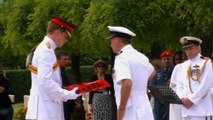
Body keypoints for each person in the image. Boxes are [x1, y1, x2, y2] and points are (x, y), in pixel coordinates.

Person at [25, 16, 81, 120]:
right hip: (45, 111)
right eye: (65, 36)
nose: (66, 40)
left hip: (45, 109)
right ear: (58, 33)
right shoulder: (46, 51)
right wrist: (68, 94)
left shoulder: (45, 48)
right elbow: (45, 82)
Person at [108, 26, 156, 120]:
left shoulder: (121, 58)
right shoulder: (141, 56)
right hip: (144, 106)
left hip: (130, 108)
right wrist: (140, 85)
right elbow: (152, 71)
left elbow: (127, 83)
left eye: (111, 41)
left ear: (117, 40)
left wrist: (121, 109)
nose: (111, 44)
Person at [176, 36, 213, 120]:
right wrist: (182, 98)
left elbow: (206, 84)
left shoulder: (206, 62)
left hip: (201, 109)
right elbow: (180, 84)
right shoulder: (184, 65)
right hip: (186, 109)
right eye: (186, 49)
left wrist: (191, 100)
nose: (188, 51)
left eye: (190, 48)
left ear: (197, 48)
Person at [57, 52, 82, 120]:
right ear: (57, 60)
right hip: (61, 103)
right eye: (65, 59)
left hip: (67, 103)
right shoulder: (57, 73)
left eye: (68, 59)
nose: (67, 61)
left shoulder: (64, 72)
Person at [149, 50, 174, 120]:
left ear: (172, 59)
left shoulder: (176, 71)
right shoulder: (157, 73)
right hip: (159, 106)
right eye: (164, 59)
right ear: (161, 60)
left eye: (168, 59)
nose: (166, 61)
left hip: (172, 106)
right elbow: (152, 87)